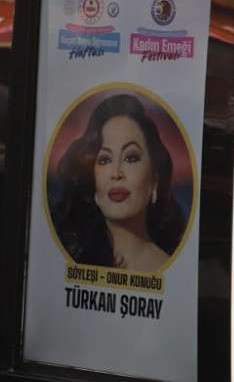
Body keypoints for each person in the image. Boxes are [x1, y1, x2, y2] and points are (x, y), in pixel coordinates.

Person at [51, 92, 187, 271]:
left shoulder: (173, 271)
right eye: (104, 160)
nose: (116, 173)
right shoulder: (67, 260)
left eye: (131, 158)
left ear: (154, 181)